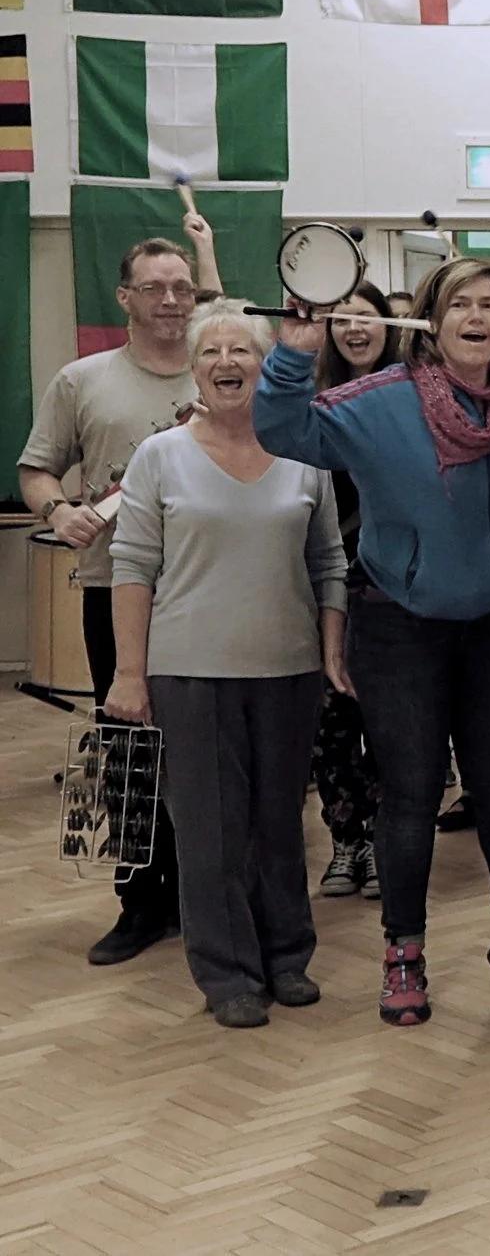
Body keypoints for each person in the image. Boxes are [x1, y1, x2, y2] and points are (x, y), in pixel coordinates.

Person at [256, 258, 490, 1027]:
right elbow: (284, 429)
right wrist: (291, 351)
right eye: (461, 303)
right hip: (398, 624)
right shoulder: (379, 401)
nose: (477, 316)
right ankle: (404, 952)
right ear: (428, 319)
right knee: (412, 792)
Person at [107, 301, 349, 1028]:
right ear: (194, 368)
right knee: (210, 833)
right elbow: (133, 566)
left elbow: (329, 560)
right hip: (189, 671)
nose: (225, 364)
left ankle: (286, 957)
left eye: (241, 350)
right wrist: (129, 672)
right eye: (211, 352)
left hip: (288, 668)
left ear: (265, 364)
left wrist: (332, 646)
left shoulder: (307, 452)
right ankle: (227, 972)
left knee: (279, 825)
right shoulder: (160, 456)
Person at [19, 235, 205, 966]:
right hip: (115, 589)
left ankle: (204, 891)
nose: (170, 301)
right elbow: (37, 470)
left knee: (204, 748)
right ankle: (139, 900)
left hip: (211, 594)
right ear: (124, 297)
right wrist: (59, 512)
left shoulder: (222, 370)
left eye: (182, 288)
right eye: (154, 287)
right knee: (128, 746)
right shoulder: (82, 380)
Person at [302, 282, 399, 903]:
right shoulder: (313, 406)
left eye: (366, 318)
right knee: (330, 723)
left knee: (391, 724)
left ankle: (388, 839)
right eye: (342, 321)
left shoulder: (412, 400)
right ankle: (347, 841)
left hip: (393, 591)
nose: (354, 330)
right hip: (325, 585)